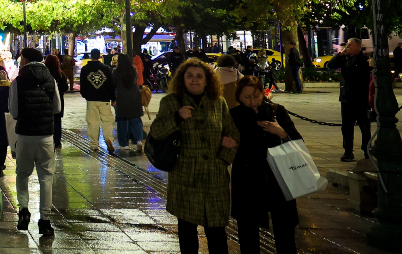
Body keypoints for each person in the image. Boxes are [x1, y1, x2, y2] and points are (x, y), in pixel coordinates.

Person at [149, 57, 239, 254]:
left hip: (214, 178)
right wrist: (177, 117)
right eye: (189, 76)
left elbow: (233, 134)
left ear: (207, 80)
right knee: (187, 233)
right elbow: (156, 132)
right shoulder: (171, 102)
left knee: (216, 232)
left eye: (199, 76)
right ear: (182, 79)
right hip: (185, 177)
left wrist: (223, 157)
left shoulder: (218, 102)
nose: (194, 80)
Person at [230, 76, 301, 254]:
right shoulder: (234, 116)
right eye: (246, 97)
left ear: (263, 93)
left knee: (285, 233)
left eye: (256, 95)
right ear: (239, 96)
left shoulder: (277, 111)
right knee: (248, 233)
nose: (252, 101)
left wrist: (280, 132)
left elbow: (297, 140)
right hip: (247, 180)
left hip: (279, 178)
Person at [9, 47, 58, 237]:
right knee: (46, 178)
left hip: (25, 136)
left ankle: (23, 210)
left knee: (22, 174)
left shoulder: (18, 82)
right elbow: (57, 107)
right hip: (46, 136)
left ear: (26, 61)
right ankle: (45, 221)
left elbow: (14, 111)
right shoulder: (50, 80)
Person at [329, 38, 372, 162]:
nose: (347, 46)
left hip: (360, 99)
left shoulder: (364, 60)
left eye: (350, 45)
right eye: (347, 44)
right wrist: (340, 55)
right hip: (346, 98)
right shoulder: (344, 58)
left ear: (357, 47)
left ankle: (367, 150)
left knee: (364, 126)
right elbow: (330, 66)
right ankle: (348, 151)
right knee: (347, 127)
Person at [78, 49, 116, 153]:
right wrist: (113, 98)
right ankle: (108, 139)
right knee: (107, 120)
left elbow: (83, 85)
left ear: (91, 56)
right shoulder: (106, 69)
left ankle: (94, 144)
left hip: (91, 99)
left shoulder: (85, 69)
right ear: (100, 56)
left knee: (92, 122)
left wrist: (85, 95)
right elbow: (111, 85)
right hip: (104, 99)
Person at [113, 54, 144, 153]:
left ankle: (124, 144)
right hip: (134, 97)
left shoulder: (116, 72)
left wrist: (113, 98)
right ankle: (138, 140)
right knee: (135, 119)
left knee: (122, 121)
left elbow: (113, 85)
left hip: (121, 98)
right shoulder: (133, 70)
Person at [45, 53, 68, 149]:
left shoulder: (45, 75)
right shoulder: (60, 75)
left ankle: (48, 141)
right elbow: (65, 88)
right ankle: (57, 142)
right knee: (57, 121)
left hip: (46, 100)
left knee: (47, 121)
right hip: (58, 100)